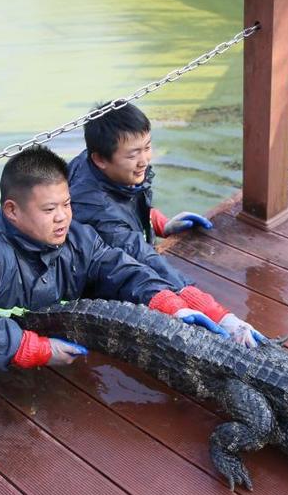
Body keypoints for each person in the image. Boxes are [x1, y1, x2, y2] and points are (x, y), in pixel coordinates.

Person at [0, 145, 230, 396]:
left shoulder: (77, 237)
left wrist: (170, 303)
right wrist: (34, 349)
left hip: (40, 362)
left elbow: (119, 268)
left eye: (67, 204)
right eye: (49, 209)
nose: (62, 218)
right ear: (12, 211)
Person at [67, 102, 266, 348]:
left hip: (119, 248)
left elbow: (126, 202)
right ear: (100, 159)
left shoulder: (97, 163)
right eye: (133, 155)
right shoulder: (95, 209)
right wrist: (218, 314)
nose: (144, 160)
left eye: (147, 147)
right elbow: (138, 255)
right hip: (97, 290)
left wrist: (158, 222)